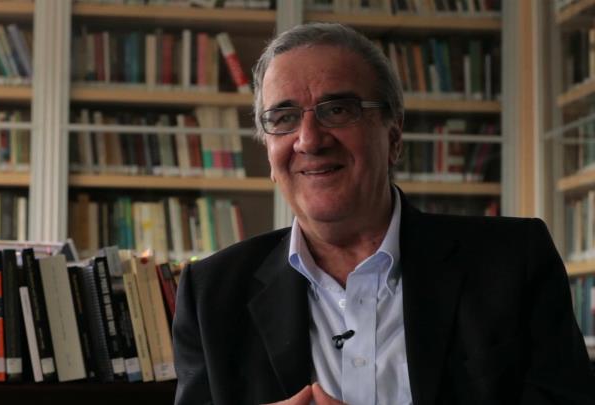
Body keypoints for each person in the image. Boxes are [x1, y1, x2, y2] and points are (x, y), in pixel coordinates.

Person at [172, 22, 595, 405]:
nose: (309, 140)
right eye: (283, 118)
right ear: (267, 149)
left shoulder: (513, 262)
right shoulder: (211, 295)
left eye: (338, 110)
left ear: (393, 136)